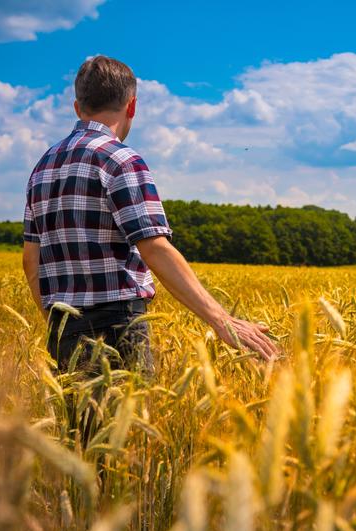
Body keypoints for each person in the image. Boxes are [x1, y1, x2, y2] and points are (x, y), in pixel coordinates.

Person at [21, 55, 279, 380]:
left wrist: (55, 325)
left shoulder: (43, 168)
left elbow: (31, 260)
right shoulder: (121, 160)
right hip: (116, 326)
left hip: (61, 325)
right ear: (132, 106)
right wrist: (222, 320)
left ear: (77, 107)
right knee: (126, 428)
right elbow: (154, 247)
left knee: (79, 430)